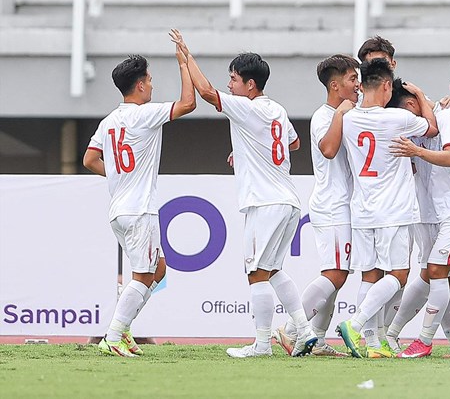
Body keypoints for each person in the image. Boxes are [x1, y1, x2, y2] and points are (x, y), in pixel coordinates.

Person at [170, 29, 317, 358]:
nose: (231, 84)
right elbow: (292, 142)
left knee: (255, 273)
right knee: (273, 269)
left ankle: (262, 345)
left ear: (250, 84)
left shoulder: (247, 108)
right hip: (287, 200)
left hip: (264, 202)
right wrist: (250, 151)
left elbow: (206, 92)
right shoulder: (276, 109)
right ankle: (304, 331)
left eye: (234, 79)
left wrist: (186, 57)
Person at [84, 46, 196, 357]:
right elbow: (189, 103)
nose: (152, 84)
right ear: (140, 85)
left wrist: (119, 177)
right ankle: (113, 335)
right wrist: (183, 63)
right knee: (145, 275)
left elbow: (89, 159)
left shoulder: (109, 121)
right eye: (149, 79)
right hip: (139, 209)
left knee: (158, 270)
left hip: (119, 209)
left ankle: (124, 326)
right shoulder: (146, 114)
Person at [336, 58, 438, 358]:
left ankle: (373, 344)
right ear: (385, 86)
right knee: (398, 275)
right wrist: (419, 96)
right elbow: (431, 129)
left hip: (362, 210)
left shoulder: (350, 118)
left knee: (369, 275)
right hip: (393, 210)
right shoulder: (397, 118)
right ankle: (355, 325)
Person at [387, 62, 450, 359]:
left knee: (435, 271)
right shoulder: (425, 120)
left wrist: (416, 151)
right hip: (431, 211)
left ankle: (424, 339)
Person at [273, 54, 360, 357]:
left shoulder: (351, 112)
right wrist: (342, 115)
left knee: (337, 276)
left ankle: (318, 340)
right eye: (352, 79)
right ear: (335, 85)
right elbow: (329, 149)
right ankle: (291, 328)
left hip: (345, 205)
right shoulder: (325, 116)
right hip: (333, 204)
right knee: (336, 273)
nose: (358, 85)